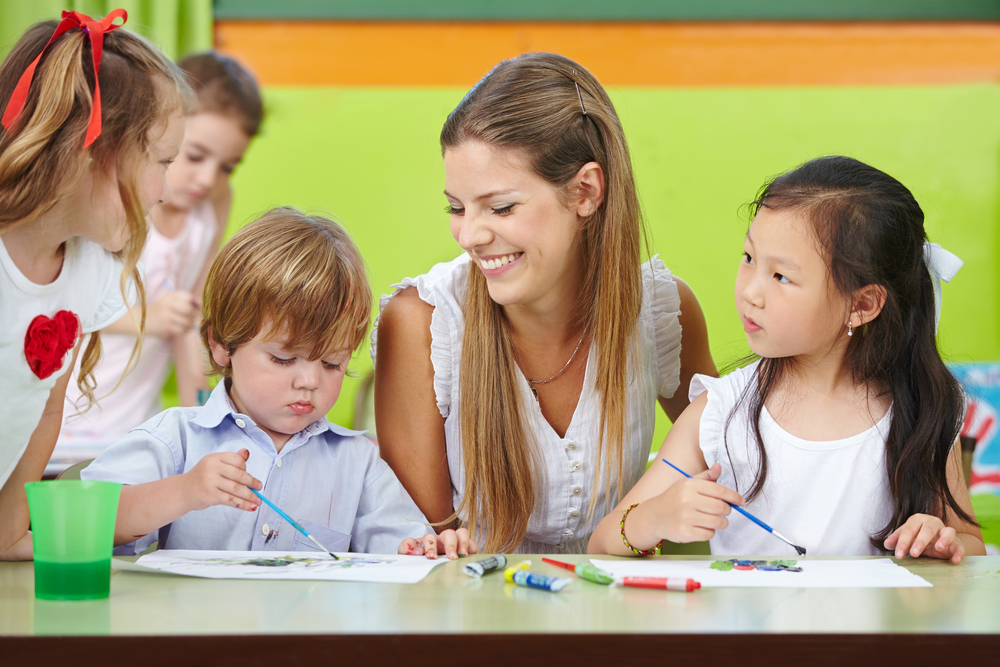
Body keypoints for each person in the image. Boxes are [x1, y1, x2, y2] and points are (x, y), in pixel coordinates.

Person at [373, 52, 716, 554]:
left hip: (617, 620)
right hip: (476, 621)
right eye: (456, 207)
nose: (469, 234)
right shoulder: (423, 324)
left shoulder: (661, 313)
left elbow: (749, 457)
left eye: (501, 206)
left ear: (585, 191)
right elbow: (426, 555)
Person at [588, 156, 986, 563]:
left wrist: (942, 541)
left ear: (862, 304)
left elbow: (971, 545)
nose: (750, 292)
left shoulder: (921, 408)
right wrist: (653, 518)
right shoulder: (720, 412)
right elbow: (602, 543)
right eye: (748, 258)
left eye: (781, 277)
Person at [83, 209, 477, 558]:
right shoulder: (175, 439)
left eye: (331, 363)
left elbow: (403, 546)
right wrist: (184, 491)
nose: (309, 381)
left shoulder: (358, 463)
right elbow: (88, 520)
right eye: (283, 359)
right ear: (222, 347)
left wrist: (428, 548)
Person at [0, 11, 188, 560]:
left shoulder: (92, 270)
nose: (167, 190)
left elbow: (45, 406)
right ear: (95, 153)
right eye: (162, 162)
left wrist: (10, 530)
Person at [60, 52, 264, 448]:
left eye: (227, 167)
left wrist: (202, 424)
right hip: (70, 416)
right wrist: (149, 318)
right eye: (194, 156)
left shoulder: (213, 205)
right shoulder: (119, 205)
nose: (207, 179)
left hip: (136, 423)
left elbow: (193, 321)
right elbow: (68, 310)